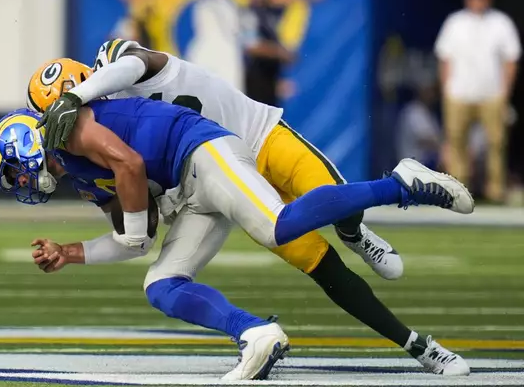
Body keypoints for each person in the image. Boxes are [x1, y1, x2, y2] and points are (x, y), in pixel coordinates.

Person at [0, 99, 473, 378]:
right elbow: (137, 239)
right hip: (189, 189)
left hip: (202, 151)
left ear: (25, 146)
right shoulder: (82, 177)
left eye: (15, 172)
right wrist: (69, 254)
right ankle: (254, 333)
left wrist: (135, 230)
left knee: (278, 226)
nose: (21, 183)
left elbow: (131, 165)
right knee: (162, 283)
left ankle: (402, 184)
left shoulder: (68, 131)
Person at [28, 44, 404, 283]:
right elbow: (138, 231)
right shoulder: (86, 159)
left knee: (327, 198)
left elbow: (131, 70)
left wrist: (75, 97)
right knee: (293, 243)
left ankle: (367, 221)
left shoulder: (116, 73)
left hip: (241, 141)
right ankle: (256, 333)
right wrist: (136, 219)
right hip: (209, 174)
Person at [435, 0, 521, 203]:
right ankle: (458, 192)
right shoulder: (454, 22)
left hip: (492, 94)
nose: (478, 0)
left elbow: (511, 59)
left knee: (496, 143)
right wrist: (446, 90)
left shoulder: (501, 23)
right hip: (459, 94)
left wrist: (504, 92)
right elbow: (444, 58)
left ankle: (495, 192)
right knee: (456, 142)